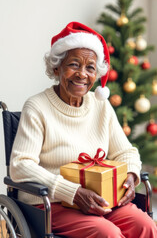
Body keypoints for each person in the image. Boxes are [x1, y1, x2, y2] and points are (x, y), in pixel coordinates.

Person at [10, 21, 157, 238]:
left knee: (146, 226)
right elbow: (20, 166)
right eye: (74, 64)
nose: (82, 74)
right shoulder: (37, 107)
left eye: (90, 67)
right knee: (108, 234)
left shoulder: (100, 105)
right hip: (53, 203)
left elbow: (126, 152)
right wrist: (73, 192)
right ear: (56, 67)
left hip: (101, 197)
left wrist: (132, 175)